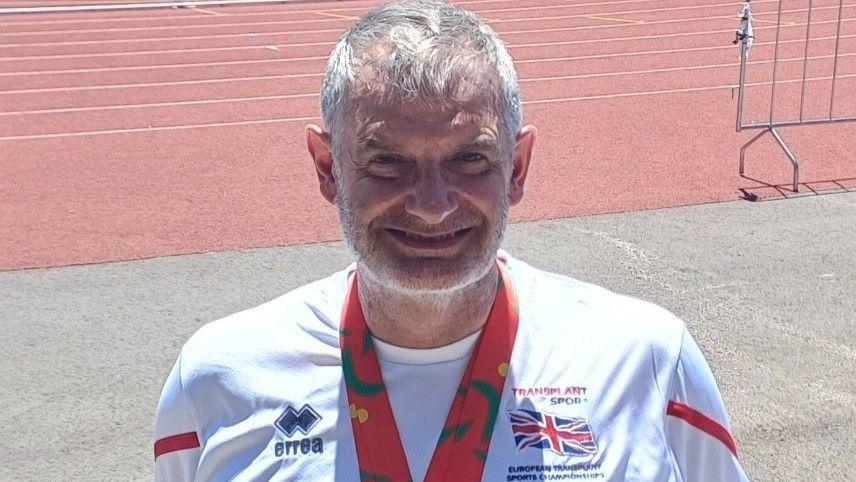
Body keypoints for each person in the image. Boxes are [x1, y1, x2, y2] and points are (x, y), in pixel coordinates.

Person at [154, 1, 750, 480]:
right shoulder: (219, 379)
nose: (433, 205)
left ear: (516, 167)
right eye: (387, 161)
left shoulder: (643, 360)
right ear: (327, 167)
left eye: (470, 158)